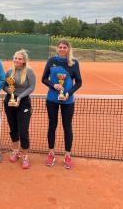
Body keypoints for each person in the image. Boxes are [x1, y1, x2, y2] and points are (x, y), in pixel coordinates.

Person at [42, 39, 82, 169]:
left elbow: (79, 82)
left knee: (67, 127)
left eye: (65, 47)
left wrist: (68, 93)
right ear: (57, 48)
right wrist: (53, 85)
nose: (62, 49)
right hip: (52, 99)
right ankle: (51, 153)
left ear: (68, 49)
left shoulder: (74, 63)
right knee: (52, 125)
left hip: (67, 101)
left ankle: (67, 155)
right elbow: (44, 78)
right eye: (60, 47)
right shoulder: (51, 61)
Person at [3, 49, 35, 169]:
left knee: (23, 130)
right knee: (13, 128)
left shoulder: (29, 72)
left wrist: (20, 98)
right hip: (9, 102)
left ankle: (25, 156)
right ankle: (15, 150)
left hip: (23, 102)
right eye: (15, 58)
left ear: (24, 61)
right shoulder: (9, 71)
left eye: (20, 58)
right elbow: (4, 85)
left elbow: (31, 87)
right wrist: (8, 90)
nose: (17, 60)